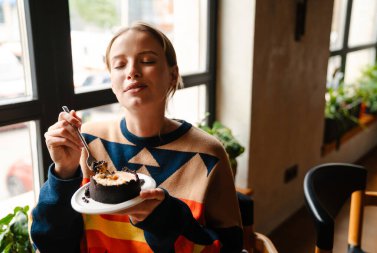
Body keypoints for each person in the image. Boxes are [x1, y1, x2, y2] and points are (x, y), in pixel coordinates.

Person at [30, 21, 243, 253]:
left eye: (148, 61)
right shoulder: (87, 143)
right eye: (120, 65)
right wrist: (63, 173)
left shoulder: (209, 154)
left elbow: (230, 247)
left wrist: (166, 219)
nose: (132, 71)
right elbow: (50, 243)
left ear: (173, 75)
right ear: (112, 81)